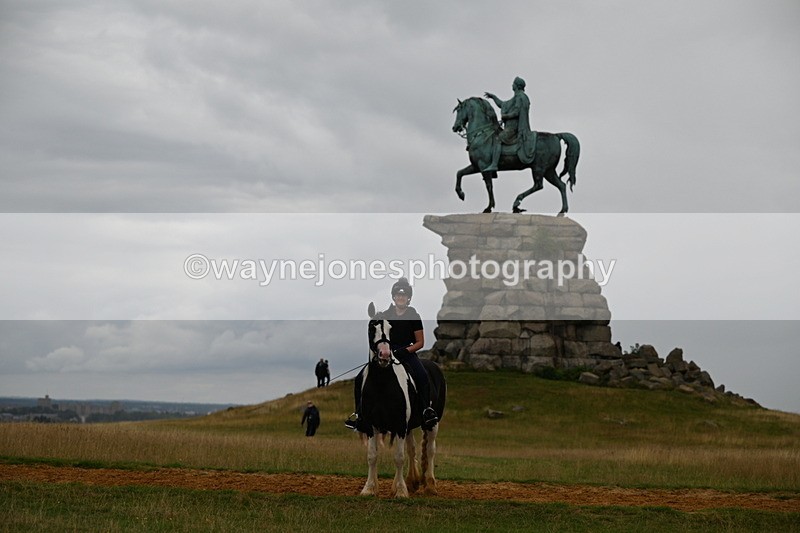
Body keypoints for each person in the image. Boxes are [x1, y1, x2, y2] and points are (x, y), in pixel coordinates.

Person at [345, 278, 439, 431]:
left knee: (422, 376)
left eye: (404, 295)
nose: (400, 298)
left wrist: (405, 351)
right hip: (387, 352)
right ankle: (359, 414)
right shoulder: (386, 314)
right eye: (397, 295)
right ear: (393, 297)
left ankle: (426, 410)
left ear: (408, 298)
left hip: (406, 353)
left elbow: (420, 342)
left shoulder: (413, 315)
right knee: (359, 378)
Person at [483, 76, 536, 171]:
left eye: (513, 83)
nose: (512, 85)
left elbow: (516, 112)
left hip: (513, 128)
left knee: (498, 139)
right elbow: (502, 104)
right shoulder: (516, 97)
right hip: (510, 127)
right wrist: (493, 97)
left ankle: (494, 164)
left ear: (517, 86)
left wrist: (505, 116)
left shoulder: (520, 97)